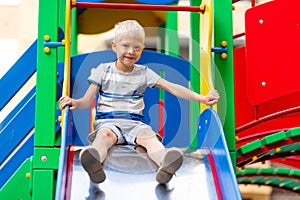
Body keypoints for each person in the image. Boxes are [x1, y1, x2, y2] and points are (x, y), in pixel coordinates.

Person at [59, 20, 220, 185]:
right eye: (125, 46)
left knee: (149, 137)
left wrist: (202, 98)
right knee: (104, 136)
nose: (131, 51)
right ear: (114, 46)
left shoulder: (144, 73)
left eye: (137, 47)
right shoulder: (103, 70)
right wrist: (75, 102)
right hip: (108, 122)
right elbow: (86, 101)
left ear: (142, 49)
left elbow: (173, 88)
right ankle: (94, 162)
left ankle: (165, 163)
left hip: (135, 124)